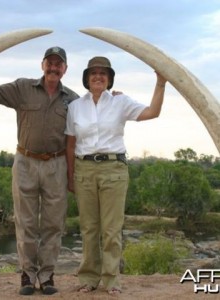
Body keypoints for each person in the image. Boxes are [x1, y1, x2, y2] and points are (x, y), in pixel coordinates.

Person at [0, 46, 79, 295]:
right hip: (25, 161)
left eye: (58, 64)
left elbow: (89, 125)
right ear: (42, 65)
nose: (53, 67)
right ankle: (27, 275)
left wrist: (112, 100)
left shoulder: (73, 99)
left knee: (53, 224)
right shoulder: (22, 88)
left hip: (57, 165)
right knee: (25, 222)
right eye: (49, 62)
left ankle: (47, 276)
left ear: (65, 69)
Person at [65, 56, 167, 295]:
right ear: (87, 79)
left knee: (111, 229)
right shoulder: (75, 107)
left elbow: (153, 112)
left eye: (103, 73)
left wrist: (161, 83)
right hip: (84, 169)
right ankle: (89, 278)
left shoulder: (121, 102)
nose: (98, 76)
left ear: (110, 79)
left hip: (113, 169)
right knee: (89, 228)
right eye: (93, 73)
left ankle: (111, 280)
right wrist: (70, 175)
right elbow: (70, 144)